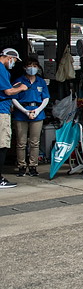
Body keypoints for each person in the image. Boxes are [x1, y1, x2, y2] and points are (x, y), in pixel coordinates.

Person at [12, 56, 49, 177]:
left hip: (37, 111)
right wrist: (24, 111)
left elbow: (46, 98)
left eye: (34, 66)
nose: (32, 68)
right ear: (24, 67)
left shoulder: (41, 81)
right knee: (21, 142)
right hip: (21, 112)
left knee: (35, 142)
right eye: (29, 66)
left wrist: (37, 111)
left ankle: (33, 165)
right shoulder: (19, 81)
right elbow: (13, 98)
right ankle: (21, 166)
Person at [0, 48, 29, 189]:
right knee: (2, 145)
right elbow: (8, 91)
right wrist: (21, 88)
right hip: (1, 111)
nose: (14, 63)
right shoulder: (1, 69)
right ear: (9, 57)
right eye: (14, 61)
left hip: (3, 108)